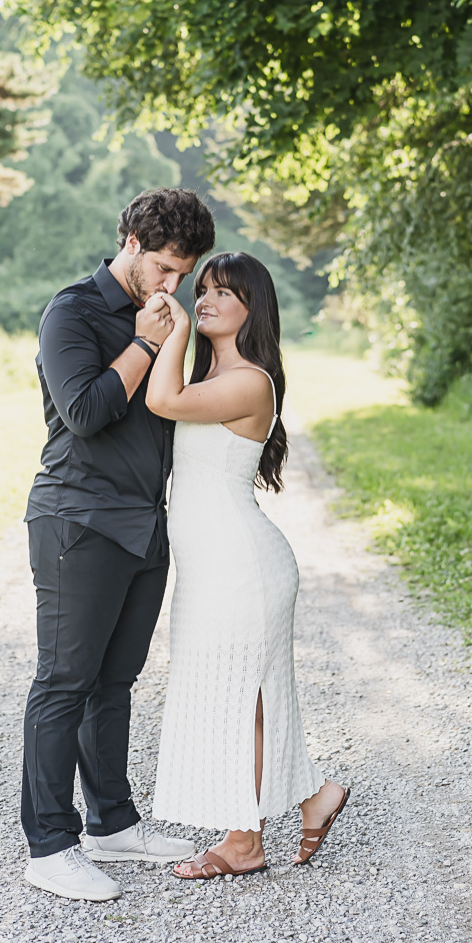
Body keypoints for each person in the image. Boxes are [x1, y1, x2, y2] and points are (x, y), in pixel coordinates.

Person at [21, 188, 216, 902]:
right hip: (78, 519)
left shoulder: (166, 315)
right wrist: (146, 342)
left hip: (143, 523)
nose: (172, 286)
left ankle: (112, 822)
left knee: (114, 684)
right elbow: (86, 412)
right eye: (164, 268)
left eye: (183, 275)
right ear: (130, 243)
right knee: (64, 683)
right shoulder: (71, 312)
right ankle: (48, 845)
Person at [145, 250, 350, 878]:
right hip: (215, 568)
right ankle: (315, 799)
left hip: (241, 567)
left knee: (239, 700)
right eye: (201, 289)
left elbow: (161, 400)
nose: (204, 299)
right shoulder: (219, 378)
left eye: (221, 292)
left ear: (252, 308)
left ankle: (243, 842)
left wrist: (175, 331)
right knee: (249, 699)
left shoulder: (250, 381)